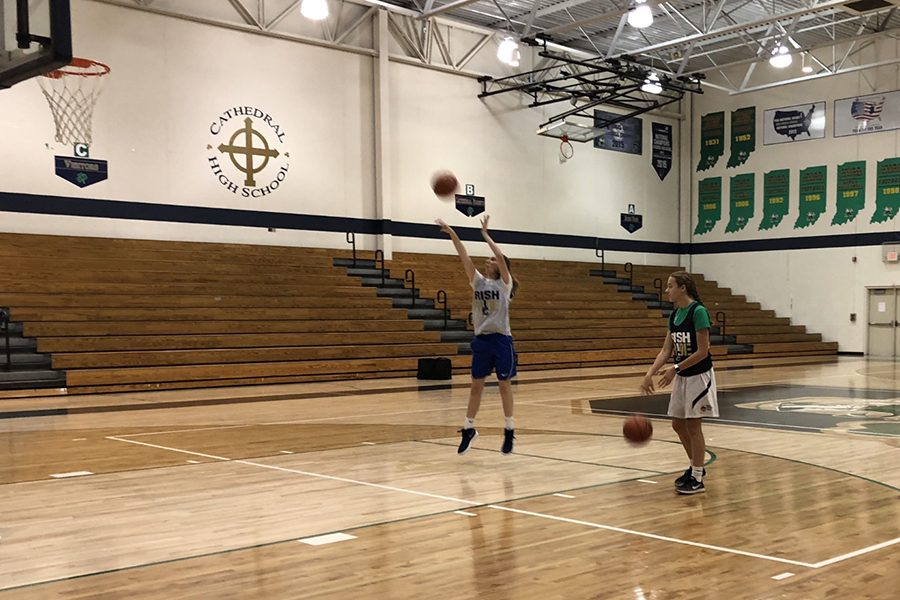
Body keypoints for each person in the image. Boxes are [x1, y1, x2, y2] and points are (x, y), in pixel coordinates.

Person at [435, 215, 519, 455]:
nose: (488, 260)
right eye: (489, 259)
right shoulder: (478, 282)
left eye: (491, 259)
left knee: (504, 386)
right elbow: (464, 256)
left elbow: (501, 257)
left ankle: (509, 430)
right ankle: (468, 428)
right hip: (482, 341)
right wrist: (451, 232)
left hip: (501, 340)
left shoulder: (505, 284)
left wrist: (485, 236)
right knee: (475, 388)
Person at [640, 271, 718, 494]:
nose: (667, 290)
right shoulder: (674, 315)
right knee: (677, 424)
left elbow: (704, 351)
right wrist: (649, 374)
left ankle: (697, 477)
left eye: (670, 286)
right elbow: (666, 350)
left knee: (693, 425)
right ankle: (697, 467)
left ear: (683, 288)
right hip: (683, 375)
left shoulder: (698, 312)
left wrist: (675, 368)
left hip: (699, 376)